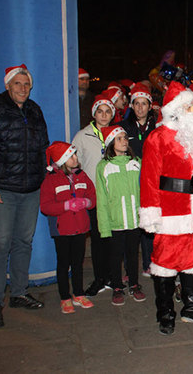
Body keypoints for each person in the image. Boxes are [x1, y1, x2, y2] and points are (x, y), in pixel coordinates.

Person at [139, 81, 193, 334]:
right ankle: (165, 312)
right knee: (165, 262)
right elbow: (148, 178)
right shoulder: (158, 137)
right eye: (190, 106)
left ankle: (191, 307)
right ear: (176, 109)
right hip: (171, 211)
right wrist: (151, 212)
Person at [0, 64, 49, 328]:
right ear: (7, 85)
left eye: (26, 84)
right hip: (2, 190)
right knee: (0, 245)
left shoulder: (34, 110)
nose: (23, 88)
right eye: (18, 84)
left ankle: (18, 292)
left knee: (23, 242)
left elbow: (43, 149)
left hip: (31, 189)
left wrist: (44, 178)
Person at [40, 141, 96, 314]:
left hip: (80, 227)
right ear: (62, 160)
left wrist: (87, 202)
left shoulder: (82, 175)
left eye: (75, 155)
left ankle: (78, 294)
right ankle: (65, 297)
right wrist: (66, 206)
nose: (76, 158)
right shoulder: (51, 180)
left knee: (78, 262)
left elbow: (92, 195)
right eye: (71, 156)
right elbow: (45, 206)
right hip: (62, 230)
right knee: (64, 263)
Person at [95, 125, 146, 306]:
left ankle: (134, 284)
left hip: (134, 219)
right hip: (115, 220)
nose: (124, 141)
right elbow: (101, 198)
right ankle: (117, 287)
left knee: (133, 254)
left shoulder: (136, 162)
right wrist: (104, 226)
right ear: (110, 143)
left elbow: (144, 190)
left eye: (125, 138)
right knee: (115, 255)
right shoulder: (104, 167)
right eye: (119, 138)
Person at [72, 95, 115, 296]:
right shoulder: (83, 135)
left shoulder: (117, 134)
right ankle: (100, 278)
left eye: (108, 111)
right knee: (98, 238)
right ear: (94, 114)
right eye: (100, 111)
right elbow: (74, 163)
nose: (104, 115)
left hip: (114, 194)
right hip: (94, 194)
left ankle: (113, 276)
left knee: (113, 239)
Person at [119, 82, 157, 277]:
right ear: (131, 106)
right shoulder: (122, 127)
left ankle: (149, 262)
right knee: (131, 225)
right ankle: (129, 266)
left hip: (152, 181)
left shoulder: (158, 126)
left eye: (144, 104)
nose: (140, 107)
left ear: (150, 106)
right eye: (137, 103)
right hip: (130, 181)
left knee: (149, 223)